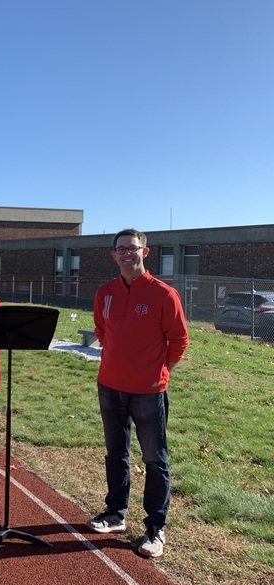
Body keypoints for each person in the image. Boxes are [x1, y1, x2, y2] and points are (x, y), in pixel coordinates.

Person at [86, 228, 189, 558]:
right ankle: (115, 513)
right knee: (116, 453)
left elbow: (179, 341)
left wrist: (160, 372)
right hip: (110, 386)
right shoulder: (105, 292)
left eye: (133, 248)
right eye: (121, 249)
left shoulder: (164, 294)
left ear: (146, 252)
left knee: (154, 459)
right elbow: (101, 331)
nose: (127, 253)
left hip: (148, 391)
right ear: (113, 255)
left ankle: (156, 528)